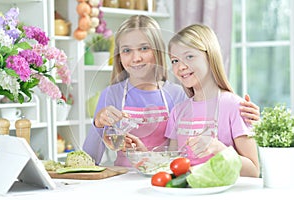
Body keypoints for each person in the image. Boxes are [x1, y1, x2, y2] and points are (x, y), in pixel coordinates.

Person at [82, 15, 260, 167]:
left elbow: (177, 156)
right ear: (119, 56)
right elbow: (89, 161)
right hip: (124, 180)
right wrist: (98, 124)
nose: (136, 58)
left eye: (144, 48)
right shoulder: (111, 95)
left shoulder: (179, 95)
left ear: (158, 51)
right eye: (126, 50)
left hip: (165, 179)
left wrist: (254, 120)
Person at [164, 24, 260, 177]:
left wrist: (219, 149)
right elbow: (172, 165)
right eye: (175, 60)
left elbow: (253, 170)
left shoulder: (234, 106)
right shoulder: (178, 112)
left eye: (189, 56)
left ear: (210, 56)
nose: (181, 66)